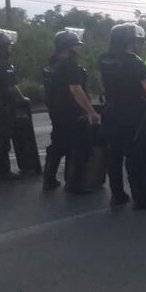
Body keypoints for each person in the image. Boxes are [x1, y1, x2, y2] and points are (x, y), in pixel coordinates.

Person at [99, 23, 146, 208]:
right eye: (139, 41)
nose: (141, 45)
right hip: (132, 113)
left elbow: (103, 86)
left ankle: (117, 194)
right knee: (134, 155)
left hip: (111, 110)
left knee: (114, 154)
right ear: (130, 41)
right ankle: (140, 198)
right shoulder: (135, 62)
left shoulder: (104, 59)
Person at [41, 30, 101, 191]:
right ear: (68, 47)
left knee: (58, 145)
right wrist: (91, 112)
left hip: (56, 111)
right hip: (72, 112)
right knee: (80, 147)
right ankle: (74, 183)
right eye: (76, 45)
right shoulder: (70, 66)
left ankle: (49, 178)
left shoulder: (52, 64)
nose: (79, 48)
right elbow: (76, 90)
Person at [0, 31, 34, 180]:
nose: (10, 48)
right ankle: (3, 172)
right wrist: (23, 98)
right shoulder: (4, 65)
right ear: (1, 48)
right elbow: (11, 86)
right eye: (7, 46)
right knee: (3, 138)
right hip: (4, 106)